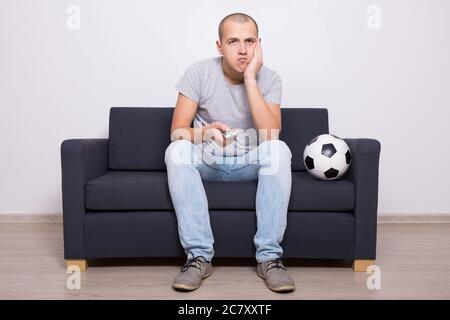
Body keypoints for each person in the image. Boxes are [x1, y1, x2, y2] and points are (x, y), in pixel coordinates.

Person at [164, 12, 295, 293]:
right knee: (176, 151)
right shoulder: (198, 73)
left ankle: (269, 258)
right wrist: (204, 133)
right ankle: (199, 256)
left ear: (259, 44)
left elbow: (271, 134)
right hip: (208, 161)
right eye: (233, 41)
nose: (243, 49)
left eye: (249, 41)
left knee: (279, 150)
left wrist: (250, 78)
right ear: (219, 46)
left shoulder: (270, 79)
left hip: (249, 162)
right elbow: (177, 131)